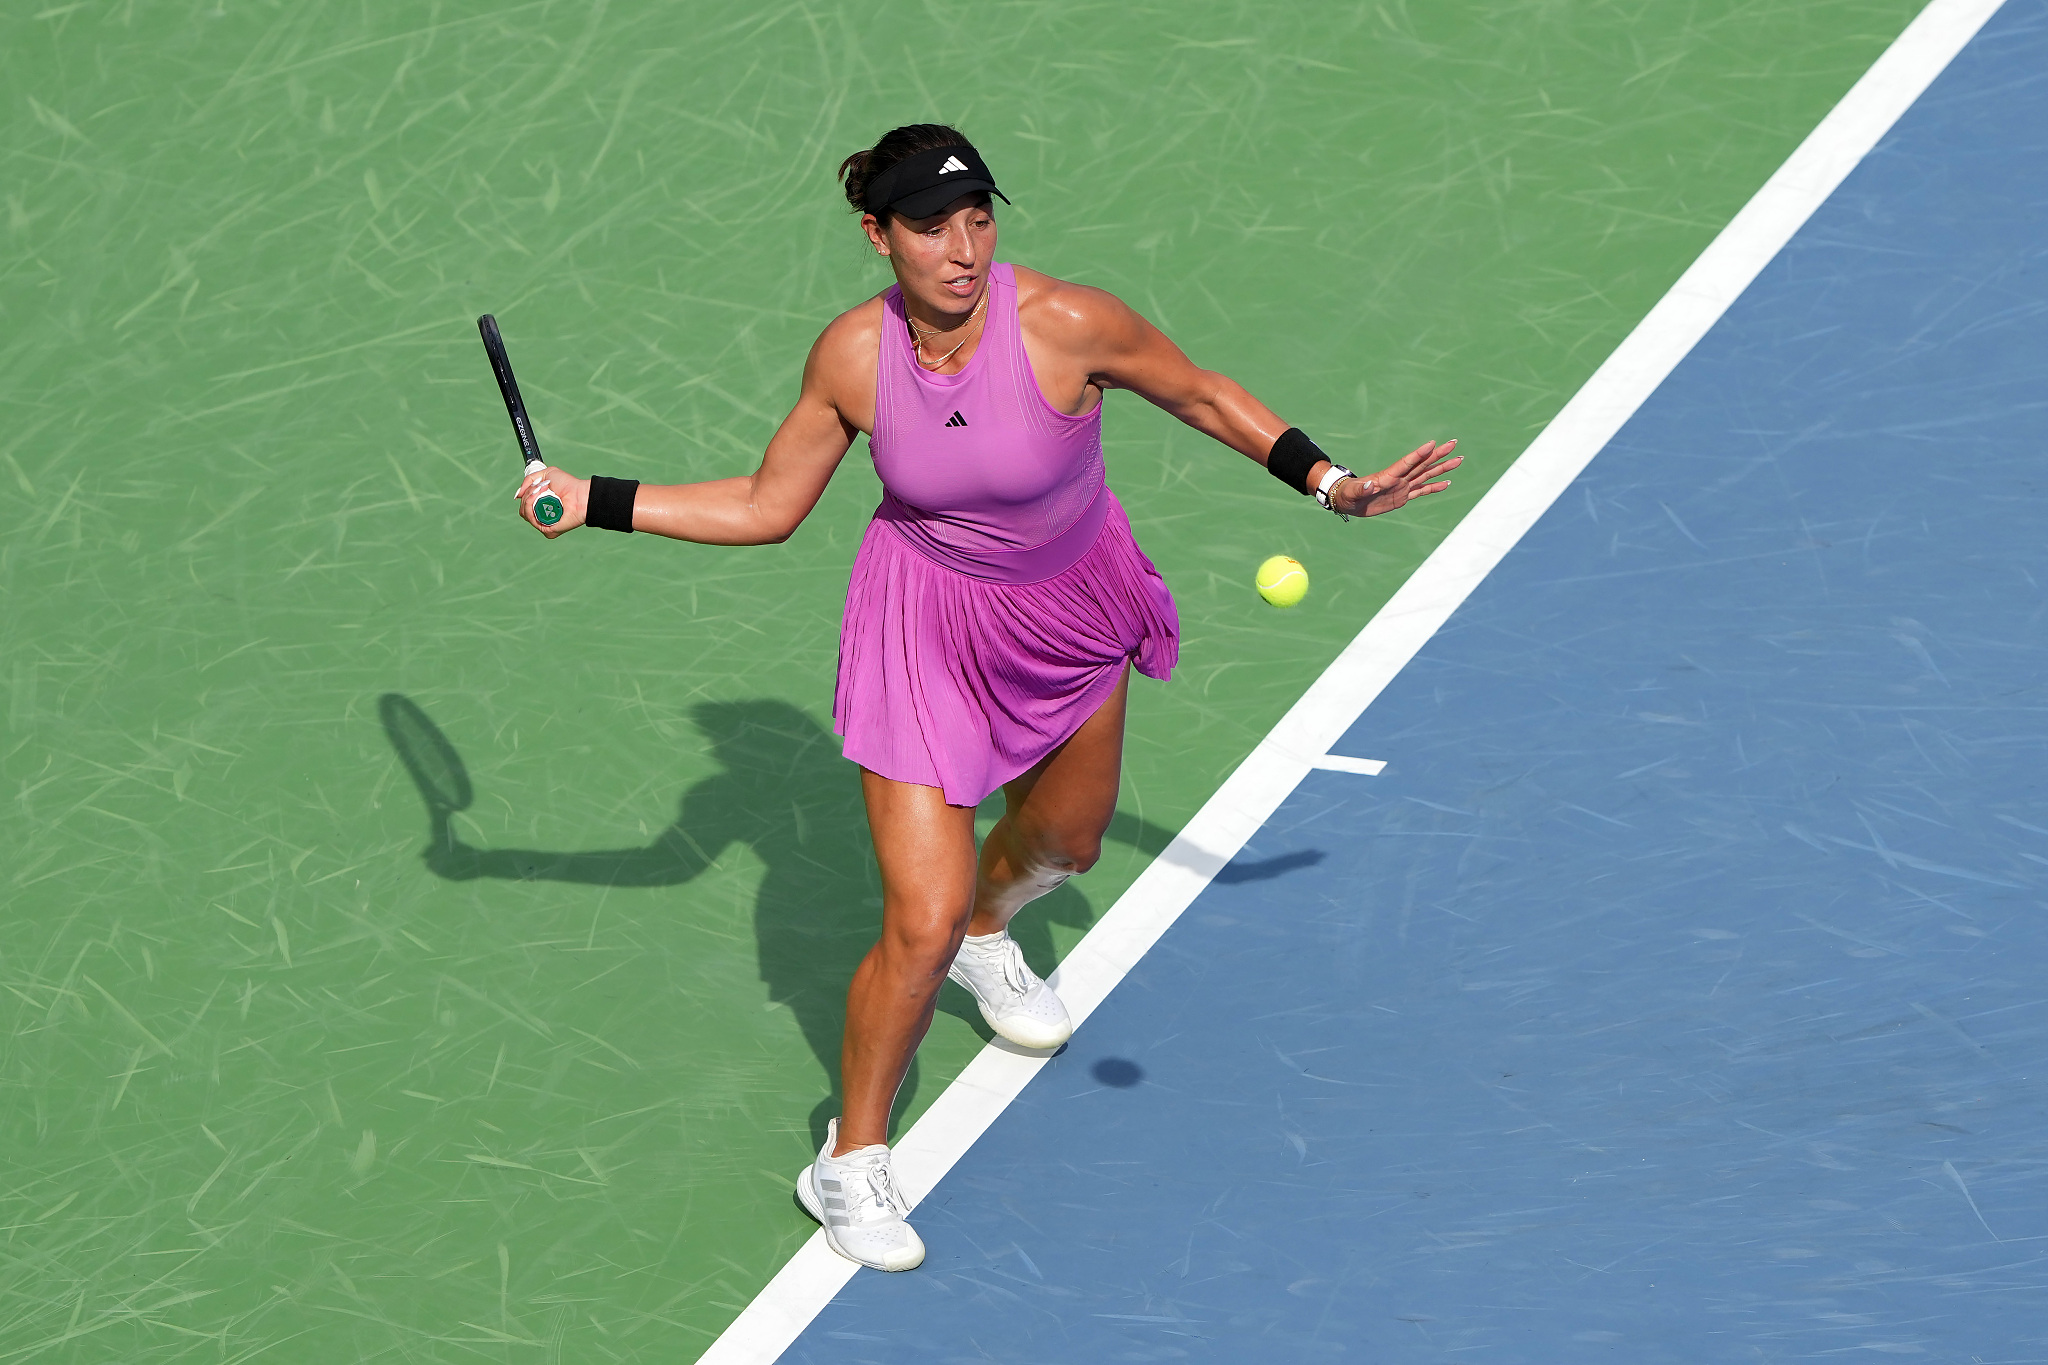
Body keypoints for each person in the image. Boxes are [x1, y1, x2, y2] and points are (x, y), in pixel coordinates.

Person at [515, 123, 1461, 1272]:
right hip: (922, 631)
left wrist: (1330, 483)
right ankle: (848, 1161)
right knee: (912, 921)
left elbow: (1204, 396)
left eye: (978, 219)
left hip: (1068, 612)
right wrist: (595, 498)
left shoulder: (1066, 324)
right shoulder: (854, 359)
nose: (962, 250)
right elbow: (768, 505)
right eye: (929, 227)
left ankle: (985, 932)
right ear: (877, 235)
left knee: (1065, 842)